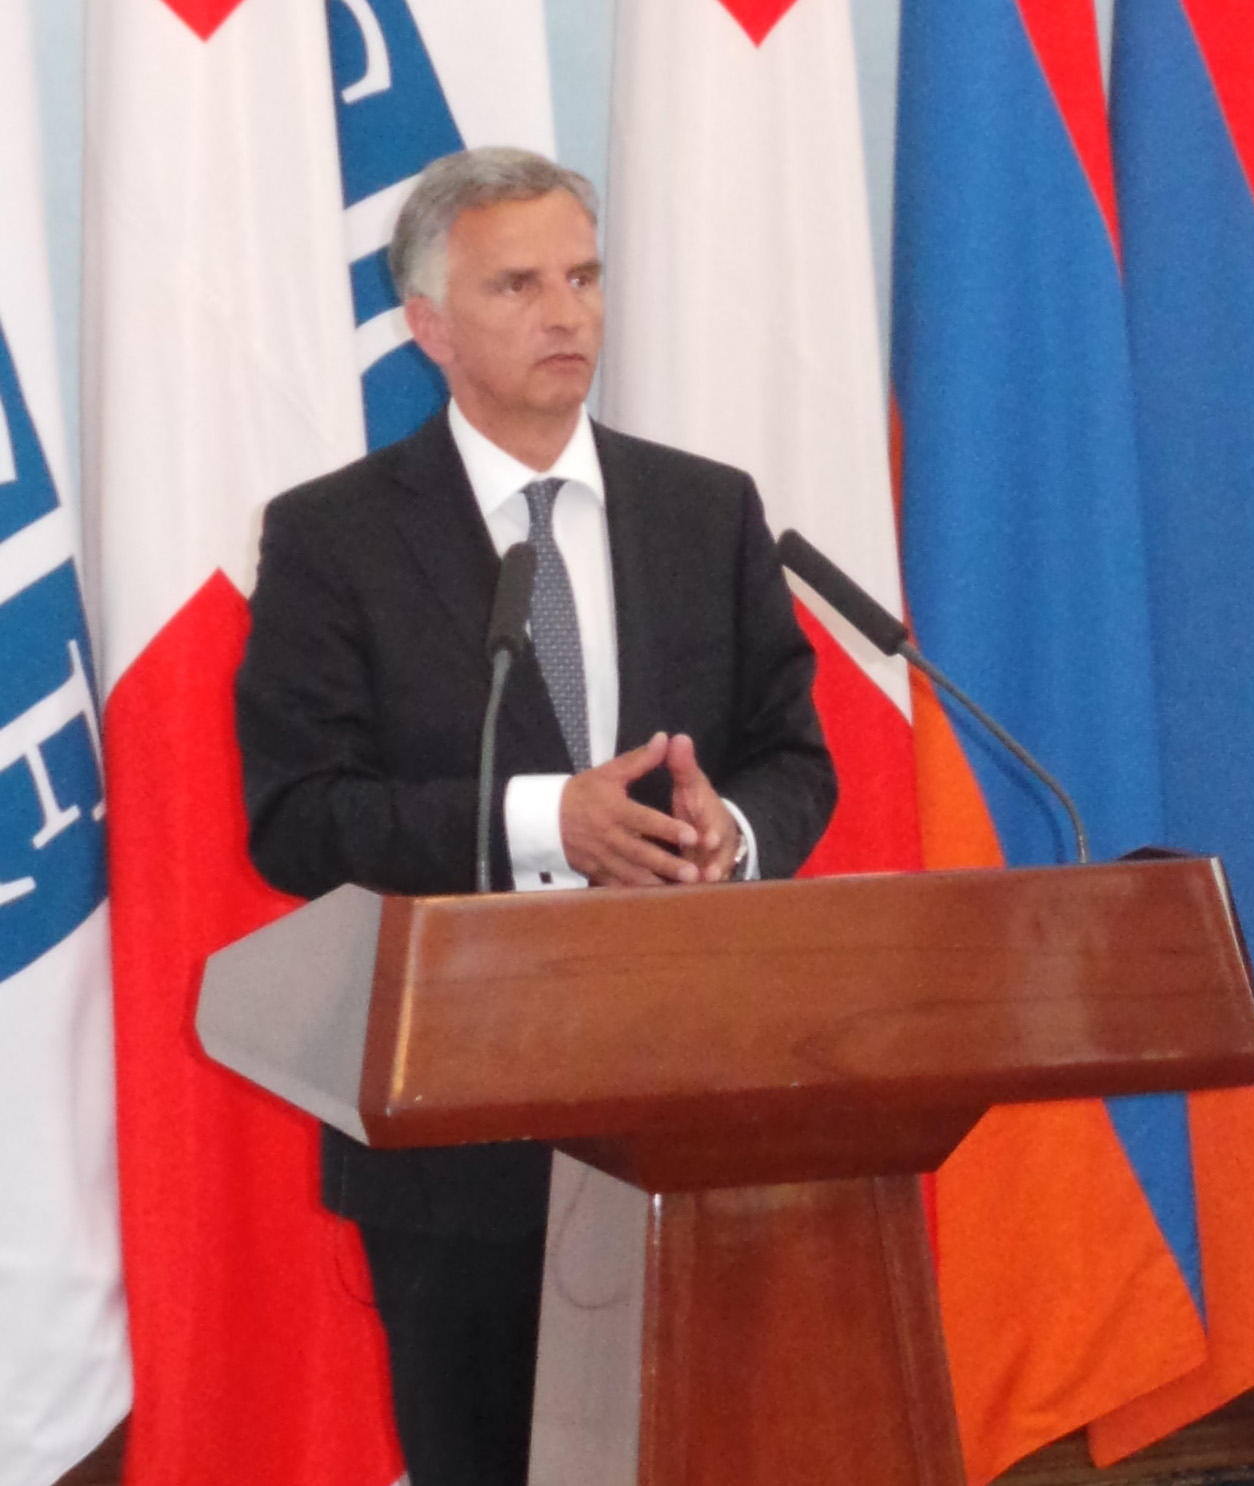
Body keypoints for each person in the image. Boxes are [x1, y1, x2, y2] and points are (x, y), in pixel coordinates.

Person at [235, 147, 837, 1486]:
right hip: (463, 1125)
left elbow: (796, 754)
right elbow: (301, 817)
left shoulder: (706, 507)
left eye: (584, 276)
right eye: (518, 285)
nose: (565, 313)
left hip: (702, 1091)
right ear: (429, 326)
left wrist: (726, 834)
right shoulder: (334, 539)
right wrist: (535, 822)